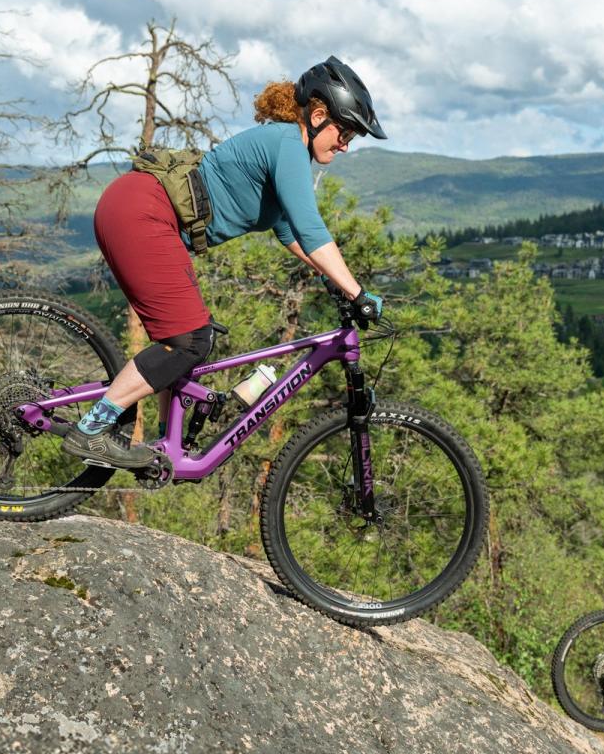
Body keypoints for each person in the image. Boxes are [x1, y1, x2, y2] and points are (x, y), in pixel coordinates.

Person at [62, 56, 387, 471]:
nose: (345, 145)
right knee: (191, 340)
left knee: (191, 338)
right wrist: (357, 291)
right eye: (344, 133)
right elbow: (310, 229)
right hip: (142, 213)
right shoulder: (288, 143)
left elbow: (289, 234)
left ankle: (165, 447)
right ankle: (92, 428)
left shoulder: (286, 147)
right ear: (319, 115)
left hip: (137, 210)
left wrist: (341, 283)